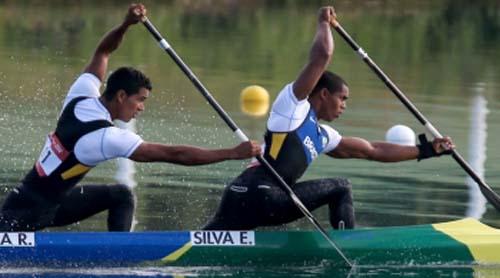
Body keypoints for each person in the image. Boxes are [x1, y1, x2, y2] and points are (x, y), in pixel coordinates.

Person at [0, 3, 261, 232]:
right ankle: (122, 261)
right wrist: (231, 153)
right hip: (25, 215)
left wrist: (126, 24)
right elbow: (174, 155)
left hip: (45, 202)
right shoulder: (106, 137)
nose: (141, 108)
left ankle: (118, 256)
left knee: (121, 195)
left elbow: (103, 51)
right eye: (140, 100)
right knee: (121, 195)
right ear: (122, 96)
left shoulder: (81, 95)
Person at [204, 6, 454, 231]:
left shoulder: (324, 136)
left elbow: (373, 150)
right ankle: (348, 245)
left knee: (199, 247)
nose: (344, 105)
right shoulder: (292, 108)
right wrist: (323, 22)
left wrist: (428, 149)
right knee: (341, 187)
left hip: (237, 195)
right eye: (342, 98)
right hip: (265, 195)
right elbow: (321, 56)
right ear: (323, 94)